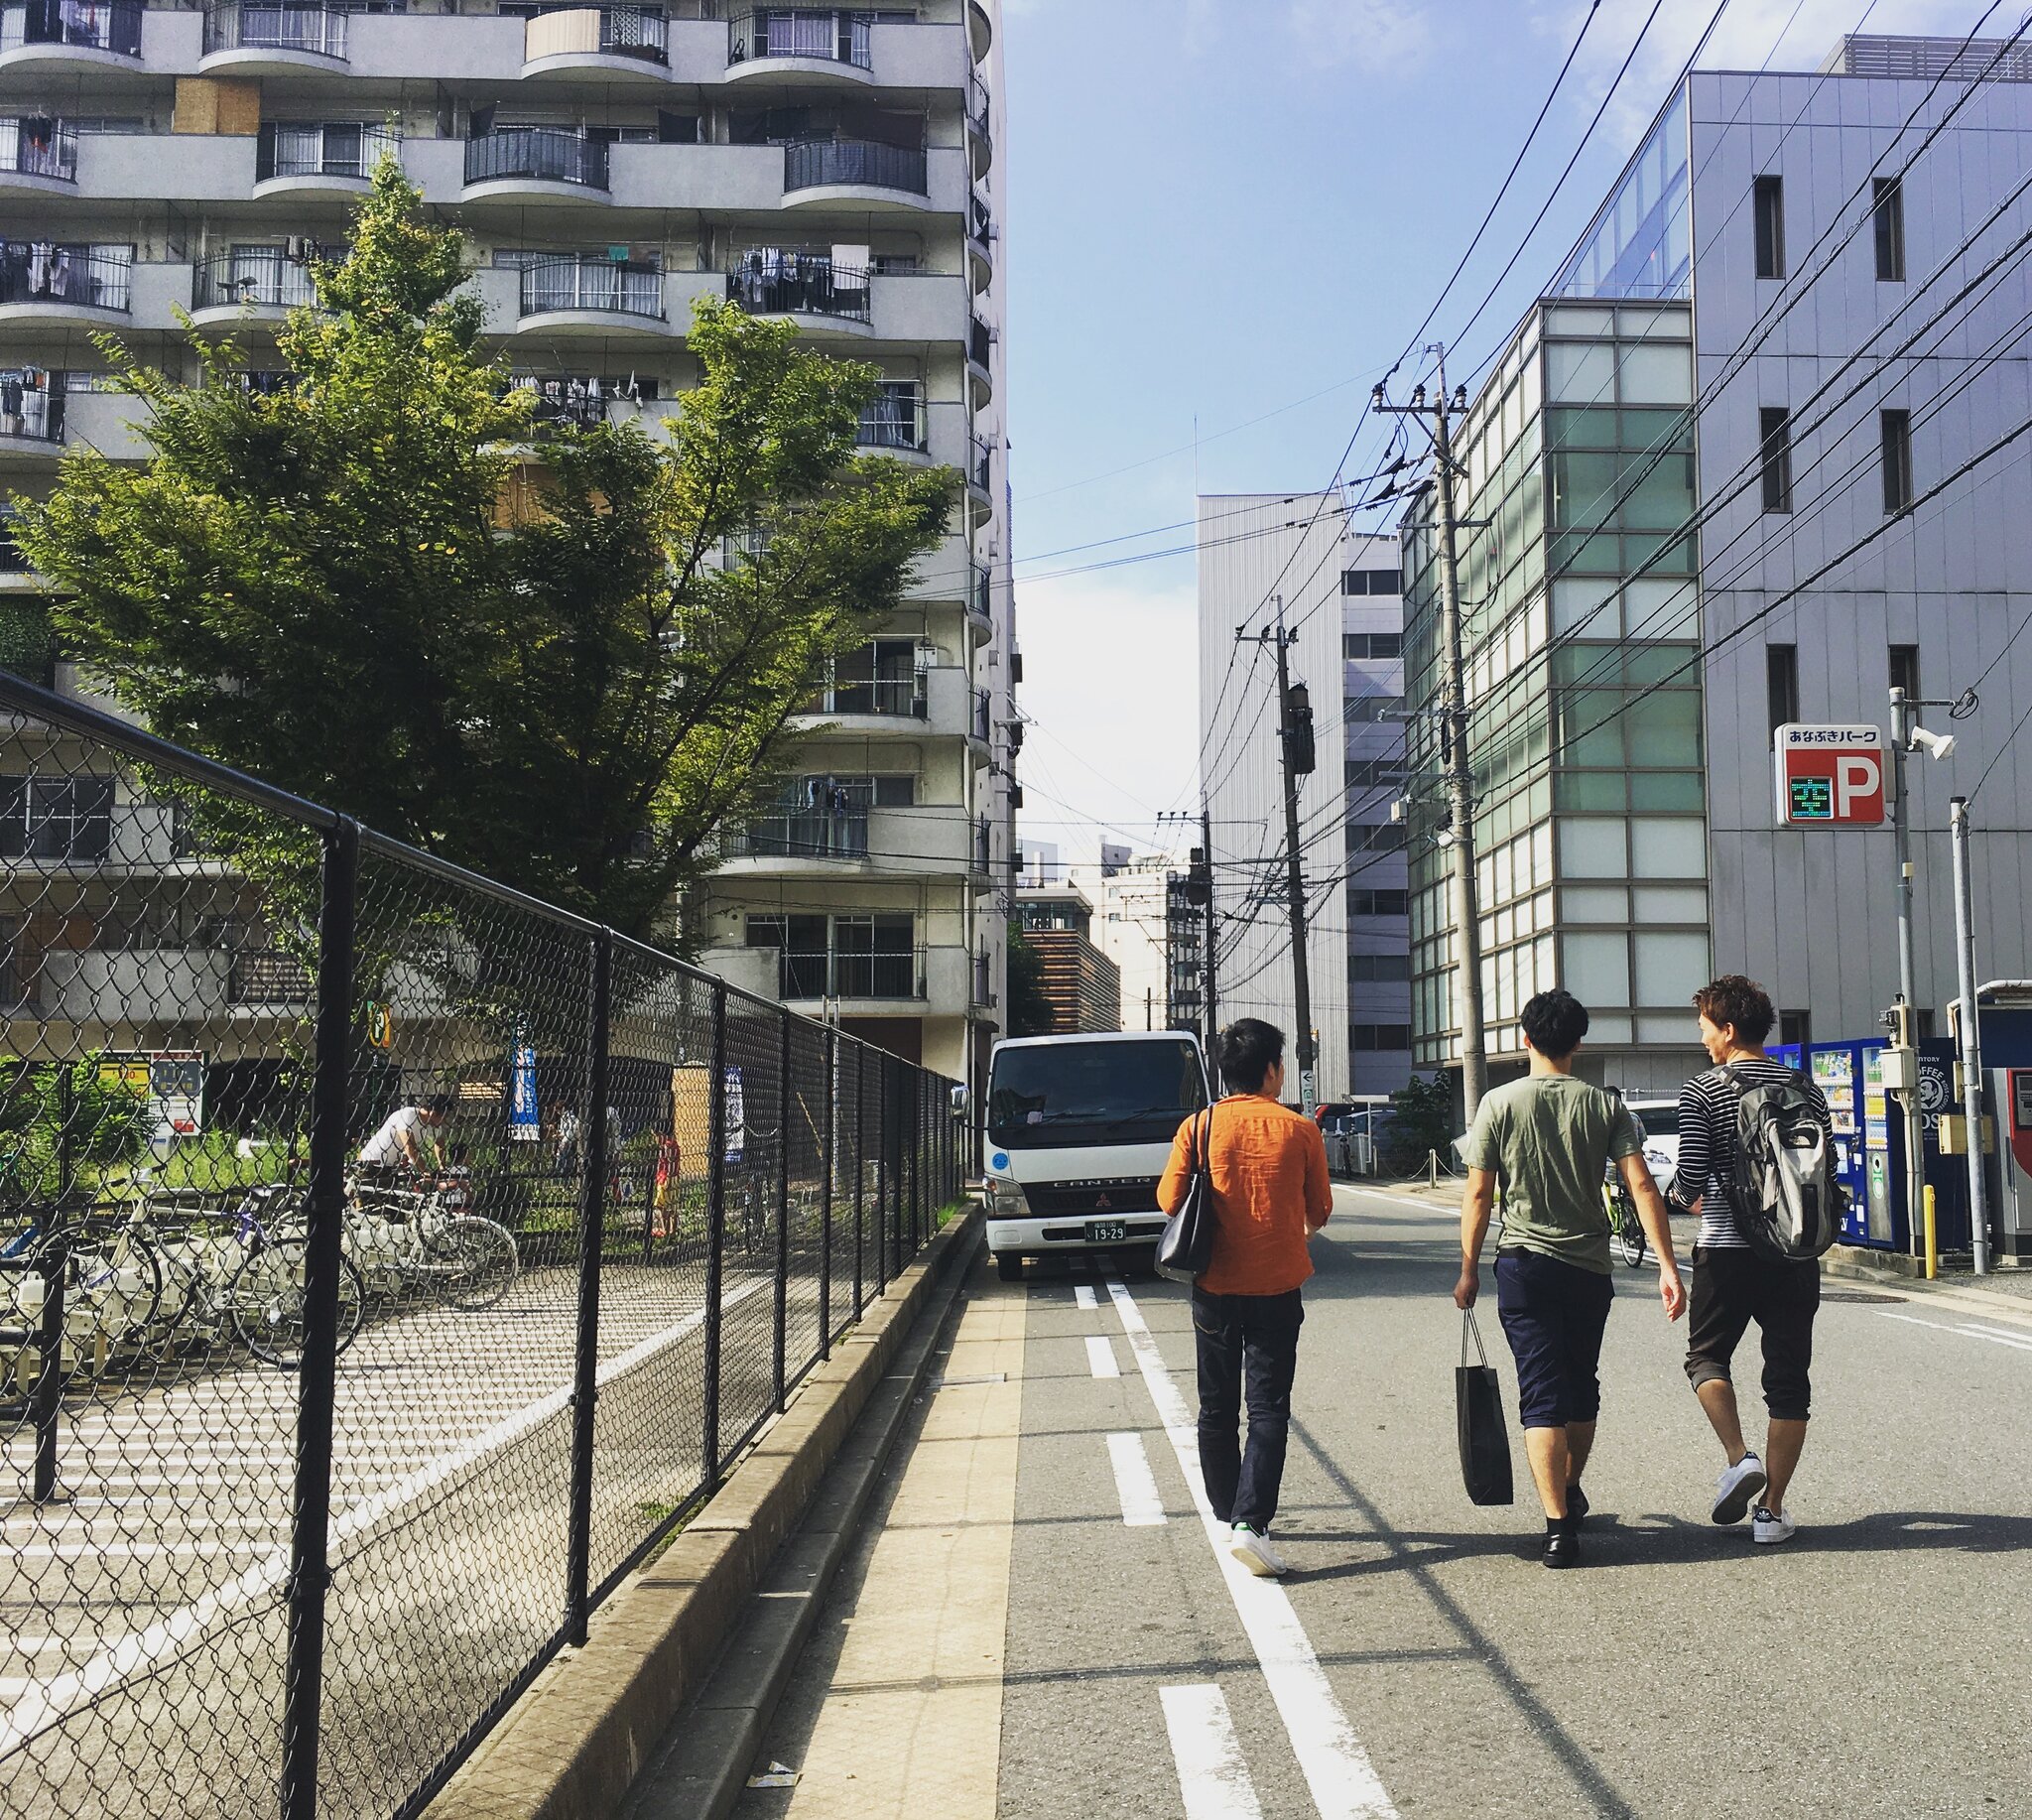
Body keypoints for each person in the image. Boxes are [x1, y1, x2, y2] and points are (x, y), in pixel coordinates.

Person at [1456, 989, 1686, 1569]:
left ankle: (1558, 1528)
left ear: (1525, 1040)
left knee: (1540, 1393)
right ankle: (1571, 1485)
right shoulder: (1605, 1106)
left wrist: (1467, 1270)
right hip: (1589, 1268)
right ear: (1578, 1043)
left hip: (1524, 1267)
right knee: (1581, 1385)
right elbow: (1641, 1185)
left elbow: (1479, 1194)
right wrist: (1666, 1265)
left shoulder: (1498, 1103)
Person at [1156, 1017, 1332, 1579]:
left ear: (1225, 1071)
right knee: (1268, 1408)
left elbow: (1169, 1201)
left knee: (1216, 1407)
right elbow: (1320, 1210)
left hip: (1213, 1287)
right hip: (1278, 1287)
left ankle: (1228, 1512)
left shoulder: (1199, 1125)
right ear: (1273, 1070)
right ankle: (1250, 1522)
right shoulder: (1300, 1129)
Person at [1666, 975, 1834, 1547]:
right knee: (1789, 1383)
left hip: (1726, 1251)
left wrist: (1670, 1195)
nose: (1702, 1039)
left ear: (1729, 1029)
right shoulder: (1805, 1088)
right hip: (1795, 1251)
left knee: (1706, 1358)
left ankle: (1741, 1458)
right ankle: (1771, 1511)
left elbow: (1689, 1178)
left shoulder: (1703, 1090)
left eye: (1705, 1028)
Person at [359, 1094, 450, 1178]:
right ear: (433, 1113)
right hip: (371, 1162)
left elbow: (439, 1143)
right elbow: (409, 1147)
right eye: (444, 1117)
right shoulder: (408, 1115)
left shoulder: (432, 1124)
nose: (444, 1121)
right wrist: (425, 1171)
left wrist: (442, 1168)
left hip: (389, 1166)